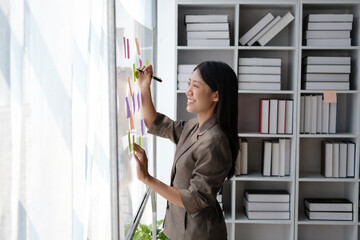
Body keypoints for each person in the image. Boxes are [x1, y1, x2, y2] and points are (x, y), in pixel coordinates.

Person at [134, 61, 239, 240]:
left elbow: (196, 199)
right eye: (189, 83)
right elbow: (155, 124)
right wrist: (145, 87)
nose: (188, 91)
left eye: (195, 85)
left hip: (198, 235)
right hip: (182, 230)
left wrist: (147, 178)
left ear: (215, 95)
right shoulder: (194, 126)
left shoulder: (215, 140)